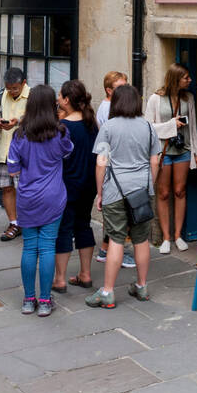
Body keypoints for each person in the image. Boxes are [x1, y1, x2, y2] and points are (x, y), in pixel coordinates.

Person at [86, 83, 159, 309]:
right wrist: (149, 186)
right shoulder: (147, 127)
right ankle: (141, 286)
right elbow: (155, 160)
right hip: (142, 191)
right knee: (141, 239)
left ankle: (108, 291)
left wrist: (100, 192)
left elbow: (101, 163)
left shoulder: (108, 128)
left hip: (115, 190)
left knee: (116, 238)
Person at [6, 84, 72, 317]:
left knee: (29, 248)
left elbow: (12, 169)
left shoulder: (20, 135)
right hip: (53, 196)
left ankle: (28, 299)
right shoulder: (61, 132)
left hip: (28, 197)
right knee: (47, 247)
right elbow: (67, 151)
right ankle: (45, 301)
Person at [145, 65, 197, 254]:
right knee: (163, 193)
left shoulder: (189, 98)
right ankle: (166, 238)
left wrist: (196, 152)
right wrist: (171, 125)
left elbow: (192, 127)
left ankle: (178, 235)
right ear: (175, 79)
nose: (189, 80)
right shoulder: (155, 99)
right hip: (163, 151)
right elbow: (148, 126)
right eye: (186, 77)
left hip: (183, 150)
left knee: (179, 191)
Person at [51, 80, 98, 293]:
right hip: (89, 185)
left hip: (67, 185)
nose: (58, 99)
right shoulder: (91, 124)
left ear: (67, 100)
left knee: (64, 230)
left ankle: (59, 279)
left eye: (60, 96)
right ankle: (85, 274)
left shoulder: (64, 128)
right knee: (84, 225)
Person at [94, 71, 135, 271]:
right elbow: (104, 151)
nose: (125, 89)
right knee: (119, 216)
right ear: (109, 90)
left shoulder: (108, 106)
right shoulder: (109, 108)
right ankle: (115, 251)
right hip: (115, 168)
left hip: (115, 167)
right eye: (120, 87)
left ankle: (105, 249)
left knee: (115, 214)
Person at [0, 67, 30, 241]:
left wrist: (18, 121)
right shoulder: (0, 95)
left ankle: (29, 223)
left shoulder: (33, 97)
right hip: (3, 151)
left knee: (26, 190)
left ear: (23, 83)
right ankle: (14, 223)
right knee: (7, 188)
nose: (11, 91)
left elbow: (38, 118)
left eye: (15, 88)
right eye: (8, 88)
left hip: (24, 154)